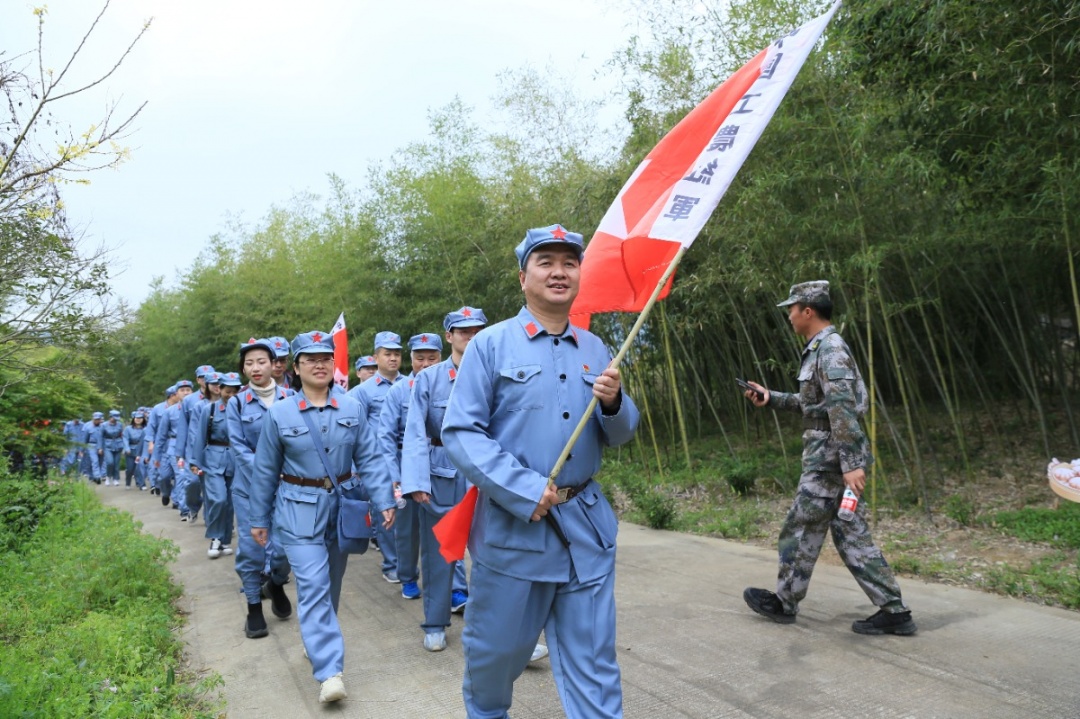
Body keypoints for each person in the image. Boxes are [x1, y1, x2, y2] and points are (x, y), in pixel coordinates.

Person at [442, 224, 639, 718]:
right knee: (495, 658)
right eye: (545, 262)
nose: (559, 272)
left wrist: (614, 403)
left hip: (585, 530)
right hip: (515, 530)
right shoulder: (490, 345)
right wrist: (524, 488)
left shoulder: (595, 348)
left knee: (595, 663)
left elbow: (620, 433)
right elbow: (461, 432)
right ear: (522, 277)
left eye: (569, 263)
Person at [742, 280, 917, 636]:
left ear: (808, 311)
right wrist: (771, 397)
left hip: (830, 460)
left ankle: (785, 601)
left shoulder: (830, 349)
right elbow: (816, 405)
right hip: (833, 456)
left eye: (792, 309)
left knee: (799, 527)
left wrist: (851, 464)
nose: (789, 315)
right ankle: (894, 611)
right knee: (851, 533)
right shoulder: (819, 349)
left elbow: (842, 408)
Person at [249, 330, 396, 704]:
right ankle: (330, 671)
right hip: (298, 512)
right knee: (313, 584)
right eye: (310, 359)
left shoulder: (352, 408)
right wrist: (258, 519)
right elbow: (265, 471)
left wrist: (384, 500)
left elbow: (370, 458)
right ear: (296, 368)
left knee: (331, 582)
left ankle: (315, 637)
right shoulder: (280, 413)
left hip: (341, 510)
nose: (319, 365)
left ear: (334, 364)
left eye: (325, 358)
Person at [401, 309, 489, 651]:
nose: (471, 336)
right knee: (440, 553)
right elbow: (414, 431)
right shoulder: (429, 379)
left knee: (492, 554)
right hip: (443, 472)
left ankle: (498, 629)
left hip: (487, 471)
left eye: (477, 331)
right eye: (463, 331)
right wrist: (417, 481)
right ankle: (435, 623)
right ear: (449, 337)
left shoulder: (496, 371)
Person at [227, 338, 295, 638]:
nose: (256, 368)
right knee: (253, 549)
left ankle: (276, 583)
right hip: (250, 489)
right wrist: (269, 471)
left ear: (274, 365)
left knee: (285, 548)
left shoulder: (291, 398)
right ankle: (254, 606)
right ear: (243, 369)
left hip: (289, 487)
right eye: (249, 363)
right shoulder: (237, 403)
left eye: (261, 362)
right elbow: (239, 447)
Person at [375, 331, 448, 603]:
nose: (426, 364)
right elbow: (385, 437)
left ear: (440, 357)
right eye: (420, 358)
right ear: (412, 359)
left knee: (447, 527)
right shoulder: (399, 391)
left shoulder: (451, 385)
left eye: (432, 358)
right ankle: (407, 576)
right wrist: (394, 477)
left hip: (441, 467)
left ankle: (453, 585)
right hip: (406, 469)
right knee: (406, 529)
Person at [350, 330, 406, 582]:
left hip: (408, 458)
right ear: (376, 357)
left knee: (409, 513)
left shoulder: (411, 383)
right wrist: (356, 465)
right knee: (386, 509)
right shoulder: (363, 391)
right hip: (380, 462)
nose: (393, 358)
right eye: (387, 354)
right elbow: (354, 430)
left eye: (397, 354)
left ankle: (407, 561)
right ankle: (392, 563)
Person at [192, 372, 241, 559]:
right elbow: (200, 437)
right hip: (213, 459)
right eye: (228, 391)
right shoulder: (210, 410)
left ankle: (225, 540)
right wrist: (195, 462)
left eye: (235, 391)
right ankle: (215, 537)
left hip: (235, 460)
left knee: (229, 503)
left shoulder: (243, 409)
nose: (231, 395)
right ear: (219, 390)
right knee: (218, 500)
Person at [174, 366, 216, 522]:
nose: (206, 379)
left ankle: (211, 520)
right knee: (192, 483)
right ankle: (193, 506)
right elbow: (183, 427)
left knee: (212, 486)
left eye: (209, 376)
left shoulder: (222, 395)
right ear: (198, 380)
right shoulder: (189, 400)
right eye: (203, 377)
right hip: (193, 450)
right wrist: (179, 453)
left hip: (214, 449)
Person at [153, 380, 193, 509]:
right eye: (182, 390)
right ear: (176, 393)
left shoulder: (198, 408)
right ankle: (166, 492)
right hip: (174, 446)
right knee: (164, 476)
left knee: (181, 476)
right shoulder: (170, 411)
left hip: (192, 446)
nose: (186, 393)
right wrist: (156, 456)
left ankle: (182, 506)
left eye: (188, 390)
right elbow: (161, 435)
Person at [145, 386, 175, 496]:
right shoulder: (158, 408)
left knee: (179, 474)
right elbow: (151, 427)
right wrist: (150, 443)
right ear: (172, 395)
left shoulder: (183, 407)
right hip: (161, 444)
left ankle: (176, 499)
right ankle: (166, 492)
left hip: (176, 442)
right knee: (163, 475)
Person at [122, 411, 149, 490]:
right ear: (133, 419)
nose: (138, 420)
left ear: (143, 419)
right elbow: (125, 439)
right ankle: (128, 482)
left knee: (139, 468)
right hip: (131, 450)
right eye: (136, 418)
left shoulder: (146, 429)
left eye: (140, 418)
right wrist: (127, 448)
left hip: (141, 450)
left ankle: (141, 484)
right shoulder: (128, 429)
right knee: (130, 469)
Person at [100, 410, 125, 486]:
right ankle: (108, 477)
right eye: (114, 418)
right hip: (108, 445)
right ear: (110, 417)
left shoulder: (120, 425)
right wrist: (100, 447)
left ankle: (116, 479)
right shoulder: (104, 425)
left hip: (118, 444)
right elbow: (100, 437)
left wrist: (124, 446)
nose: (115, 420)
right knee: (110, 462)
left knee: (116, 464)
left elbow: (123, 435)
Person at [84, 411, 106, 484]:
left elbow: (105, 438)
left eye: (98, 419)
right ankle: (97, 477)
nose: (97, 421)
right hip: (92, 445)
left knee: (100, 462)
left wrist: (102, 447)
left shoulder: (103, 427)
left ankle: (93, 476)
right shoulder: (88, 427)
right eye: (95, 419)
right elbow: (85, 439)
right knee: (94, 461)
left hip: (102, 445)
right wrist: (83, 448)